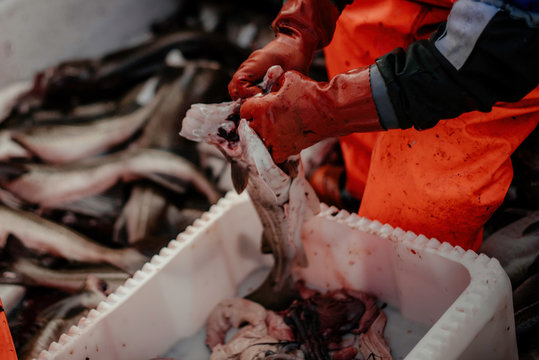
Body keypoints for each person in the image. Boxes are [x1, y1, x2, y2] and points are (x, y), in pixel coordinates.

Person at [228, 0, 539, 251]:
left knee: (407, 223)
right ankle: (361, 192)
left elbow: (499, 47)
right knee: (354, 16)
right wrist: (298, 28)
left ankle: (412, 290)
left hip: (513, 41)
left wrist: (330, 107)